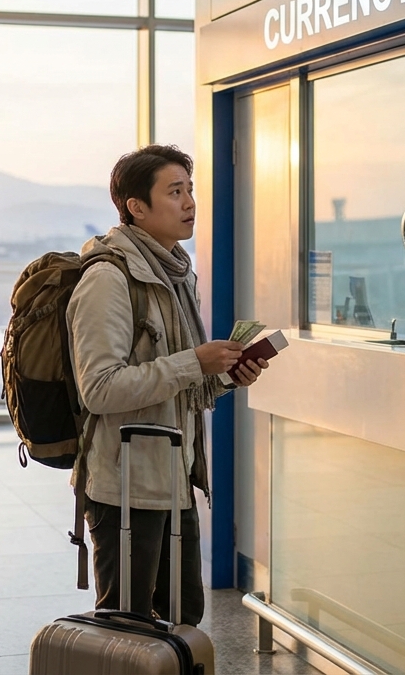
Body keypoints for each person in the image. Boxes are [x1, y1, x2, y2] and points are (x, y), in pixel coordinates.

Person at [66, 144, 267, 625]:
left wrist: (223, 377)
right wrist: (192, 363)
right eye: (174, 192)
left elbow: (183, 383)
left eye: (190, 190)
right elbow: (100, 388)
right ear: (136, 207)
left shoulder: (174, 272)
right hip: (124, 486)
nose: (190, 203)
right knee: (127, 629)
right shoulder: (108, 279)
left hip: (174, 478)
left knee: (182, 618)